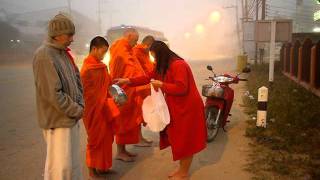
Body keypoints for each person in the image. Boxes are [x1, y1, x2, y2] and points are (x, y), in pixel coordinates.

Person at [115, 41, 207, 179]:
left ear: (162, 54)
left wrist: (162, 85)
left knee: (186, 140)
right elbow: (148, 77)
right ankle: (182, 169)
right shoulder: (163, 66)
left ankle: (183, 173)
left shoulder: (178, 65)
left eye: (155, 57)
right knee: (178, 138)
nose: (155, 60)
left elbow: (182, 88)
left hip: (188, 107)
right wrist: (127, 81)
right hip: (176, 106)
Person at [32, 13, 84, 180]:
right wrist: (77, 109)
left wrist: (80, 105)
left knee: (72, 166)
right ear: (58, 35)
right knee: (59, 169)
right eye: (70, 35)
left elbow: (77, 80)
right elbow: (52, 95)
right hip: (58, 121)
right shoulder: (44, 55)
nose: (72, 39)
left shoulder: (63, 54)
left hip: (71, 118)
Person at [80, 36, 119, 178]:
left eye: (106, 52)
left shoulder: (101, 66)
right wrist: (100, 100)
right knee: (95, 140)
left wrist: (115, 89)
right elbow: (85, 93)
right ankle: (91, 170)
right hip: (93, 110)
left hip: (104, 108)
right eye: (102, 51)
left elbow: (107, 83)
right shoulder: (87, 69)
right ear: (94, 49)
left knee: (106, 138)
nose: (104, 55)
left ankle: (103, 167)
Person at [109, 28, 146, 162]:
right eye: (135, 40)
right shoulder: (120, 50)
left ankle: (124, 150)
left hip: (131, 90)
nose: (136, 44)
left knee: (127, 122)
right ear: (129, 36)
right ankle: (120, 152)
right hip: (123, 92)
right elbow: (116, 73)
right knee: (122, 122)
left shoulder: (128, 49)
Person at [133, 35, 155, 147]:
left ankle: (140, 137)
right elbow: (137, 71)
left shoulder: (145, 52)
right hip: (139, 87)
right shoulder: (136, 52)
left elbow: (149, 67)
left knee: (142, 114)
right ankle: (138, 139)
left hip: (146, 86)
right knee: (138, 115)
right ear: (147, 45)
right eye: (151, 47)